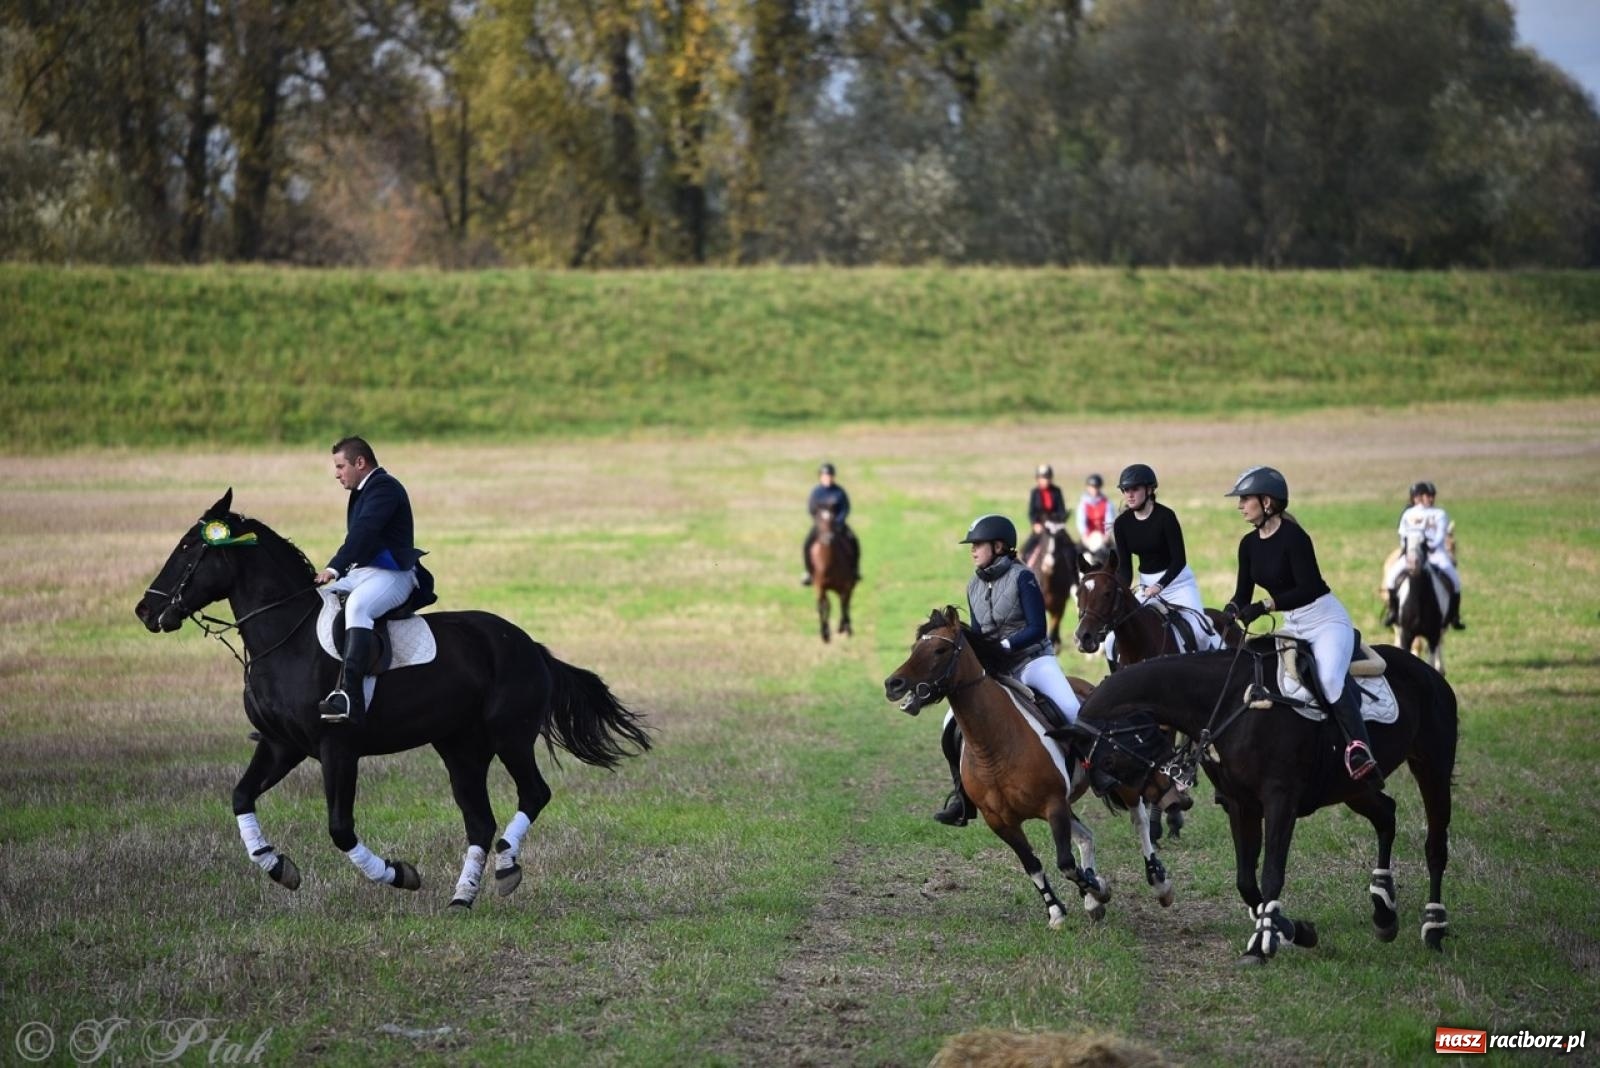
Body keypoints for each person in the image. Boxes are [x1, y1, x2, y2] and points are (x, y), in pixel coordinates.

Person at [1223, 466, 1381, 786]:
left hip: (1325, 621)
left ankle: (1359, 749)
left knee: (1329, 678)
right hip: (1293, 623)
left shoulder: (1295, 538)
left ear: (1267, 502)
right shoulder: (1248, 544)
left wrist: (1266, 605)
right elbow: (1243, 594)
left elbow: (1308, 588)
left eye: (1245, 499)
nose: (1240, 505)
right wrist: (1227, 612)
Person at [933, 513, 1085, 825]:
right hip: (996, 670)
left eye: (978, 544)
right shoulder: (973, 585)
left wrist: (1004, 647)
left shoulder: (1023, 577)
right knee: (950, 724)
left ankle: (1100, 773)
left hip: (1032, 661)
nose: (972, 550)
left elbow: (1037, 628)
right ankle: (962, 796)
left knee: (1071, 709)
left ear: (999, 546)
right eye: (971, 545)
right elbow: (978, 633)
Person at [314, 437, 432, 724]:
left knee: (357, 608)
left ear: (360, 462)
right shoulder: (363, 490)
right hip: (363, 574)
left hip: (393, 575)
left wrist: (333, 568)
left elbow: (364, 533)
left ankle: (351, 699)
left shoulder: (385, 488)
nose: (337, 473)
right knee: (317, 601)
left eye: (341, 466)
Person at [1106, 463, 1209, 665]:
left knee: (1201, 632)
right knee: (1111, 640)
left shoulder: (1166, 517)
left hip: (1178, 583)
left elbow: (1179, 560)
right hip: (1146, 586)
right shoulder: (1122, 524)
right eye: (1125, 490)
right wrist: (1118, 591)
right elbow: (1126, 569)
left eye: (1134, 489)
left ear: (1150, 489)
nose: (1129, 495)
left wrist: (1160, 586)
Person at [1381, 481, 1465, 630]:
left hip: (1435, 554)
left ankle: (1454, 617)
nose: (1430, 499)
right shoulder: (1409, 513)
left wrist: (1429, 547)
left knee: (1455, 581)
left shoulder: (1439, 514)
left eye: (1432, 496)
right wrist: (1408, 549)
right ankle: (1393, 613)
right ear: (1418, 497)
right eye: (1427, 495)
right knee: (1391, 578)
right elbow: (1402, 534)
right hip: (1412, 553)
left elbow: (1440, 536)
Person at [801, 462, 860, 584]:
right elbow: (811, 509)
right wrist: (819, 522)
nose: (827, 478)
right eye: (824, 476)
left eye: (829, 476)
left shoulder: (839, 492)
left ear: (833, 477)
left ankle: (854, 570)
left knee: (854, 540)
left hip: (837, 525)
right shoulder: (816, 492)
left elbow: (845, 508)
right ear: (820, 477)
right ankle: (808, 572)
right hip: (821, 526)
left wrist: (838, 522)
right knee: (807, 543)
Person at [1020, 463, 1068, 567]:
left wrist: (1059, 521)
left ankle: (1074, 580)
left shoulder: (1057, 491)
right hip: (1040, 527)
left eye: (1047, 478)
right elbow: (1032, 512)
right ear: (1038, 479)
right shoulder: (1035, 492)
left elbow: (1061, 510)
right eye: (1042, 478)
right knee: (1024, 551)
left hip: (1055, 526)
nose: (1045, 480)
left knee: (1071, 549)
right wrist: (1035, 524)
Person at [1073, 473, 1115, 560]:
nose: (1094, 489)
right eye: (1092, 487)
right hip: (1088, 537)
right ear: (1088, 487)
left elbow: (1109, 520)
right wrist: (1084, 536)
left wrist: (1106, 536)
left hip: (1103, 537)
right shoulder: (1083, 504)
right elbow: (1081, 521)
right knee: (1074, 555)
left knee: (1116, 556)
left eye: (1096, 487)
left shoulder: (1107, 503)